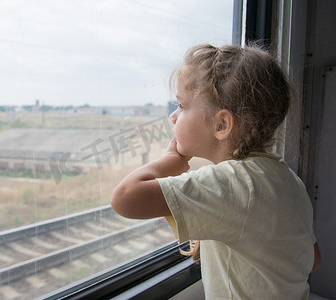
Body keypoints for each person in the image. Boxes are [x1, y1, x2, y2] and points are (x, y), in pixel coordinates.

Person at [111, 44, 320, 299]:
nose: (173, 117)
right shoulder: (288, 180)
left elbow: (125, 198)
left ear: (222, 124)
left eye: (182, 106)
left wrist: (170, 161)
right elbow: (312, 259)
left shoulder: (235, 183)